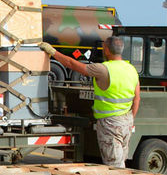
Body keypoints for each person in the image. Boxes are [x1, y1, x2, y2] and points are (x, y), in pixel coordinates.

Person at [41, 36, 140, 167]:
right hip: (126, 121)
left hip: (110, 123)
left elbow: (71, 64)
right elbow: (137, 98)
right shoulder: (131, 69)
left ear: (107, 50)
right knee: (120, 160)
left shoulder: (104, 69)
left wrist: (52, 52)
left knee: (115, 166)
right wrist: (130, 119)